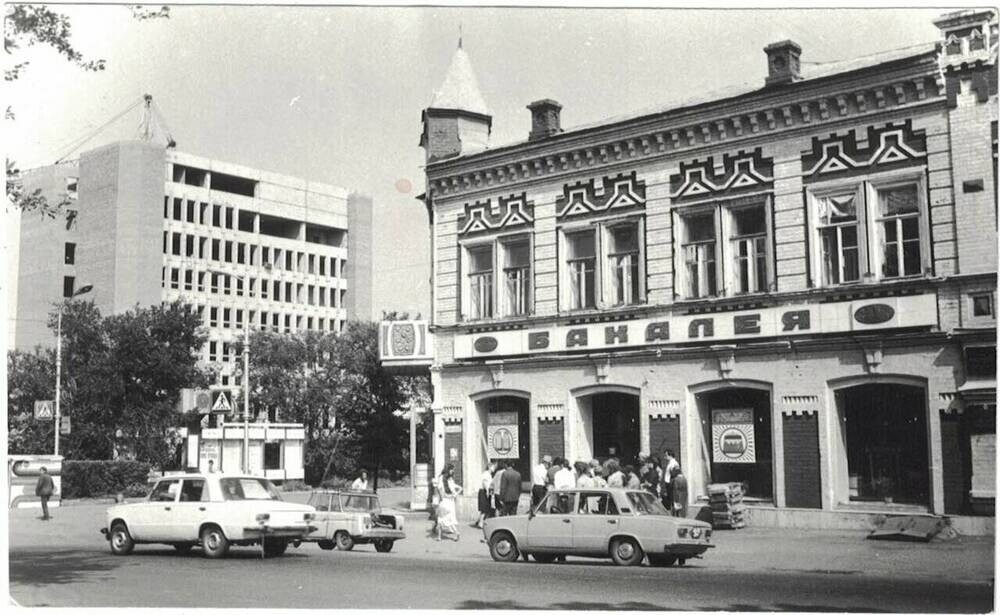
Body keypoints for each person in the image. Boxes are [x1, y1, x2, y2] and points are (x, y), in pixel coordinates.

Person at [436, 465, 462, 541]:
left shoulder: (441, 478)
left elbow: (439, 489)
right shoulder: (450, 479)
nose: (452, 471)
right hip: (450, 502)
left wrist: (441, 498)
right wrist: (455, 494)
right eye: (451, 469)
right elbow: (456, 489)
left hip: (444, 501)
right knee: (450, 518)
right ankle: (456, 532)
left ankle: (439, 537)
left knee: (440, 518)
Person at [476, 460, 497, 529]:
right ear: (489, 467)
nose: (494, 468)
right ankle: (480, 523)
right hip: (484, 492)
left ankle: (479, 521)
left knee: (485, 509)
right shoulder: (486, 474)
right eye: (493, 467)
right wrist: (488, 492)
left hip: (485, 491)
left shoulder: (489, 474)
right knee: (484, 509)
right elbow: (485, 483)